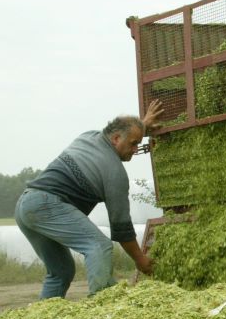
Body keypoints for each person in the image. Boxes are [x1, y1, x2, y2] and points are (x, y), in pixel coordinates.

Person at [15, 101, 163, 299]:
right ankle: (101, 304)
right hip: (47, 205)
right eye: (134, 143)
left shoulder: (89, 136)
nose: (136, 150)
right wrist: (140, 259)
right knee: (99, 246)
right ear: (117, 138)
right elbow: (122, 228)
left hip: (25, 206)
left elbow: (121, 132)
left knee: (61, 272)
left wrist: (142, 126)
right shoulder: (115, 174)